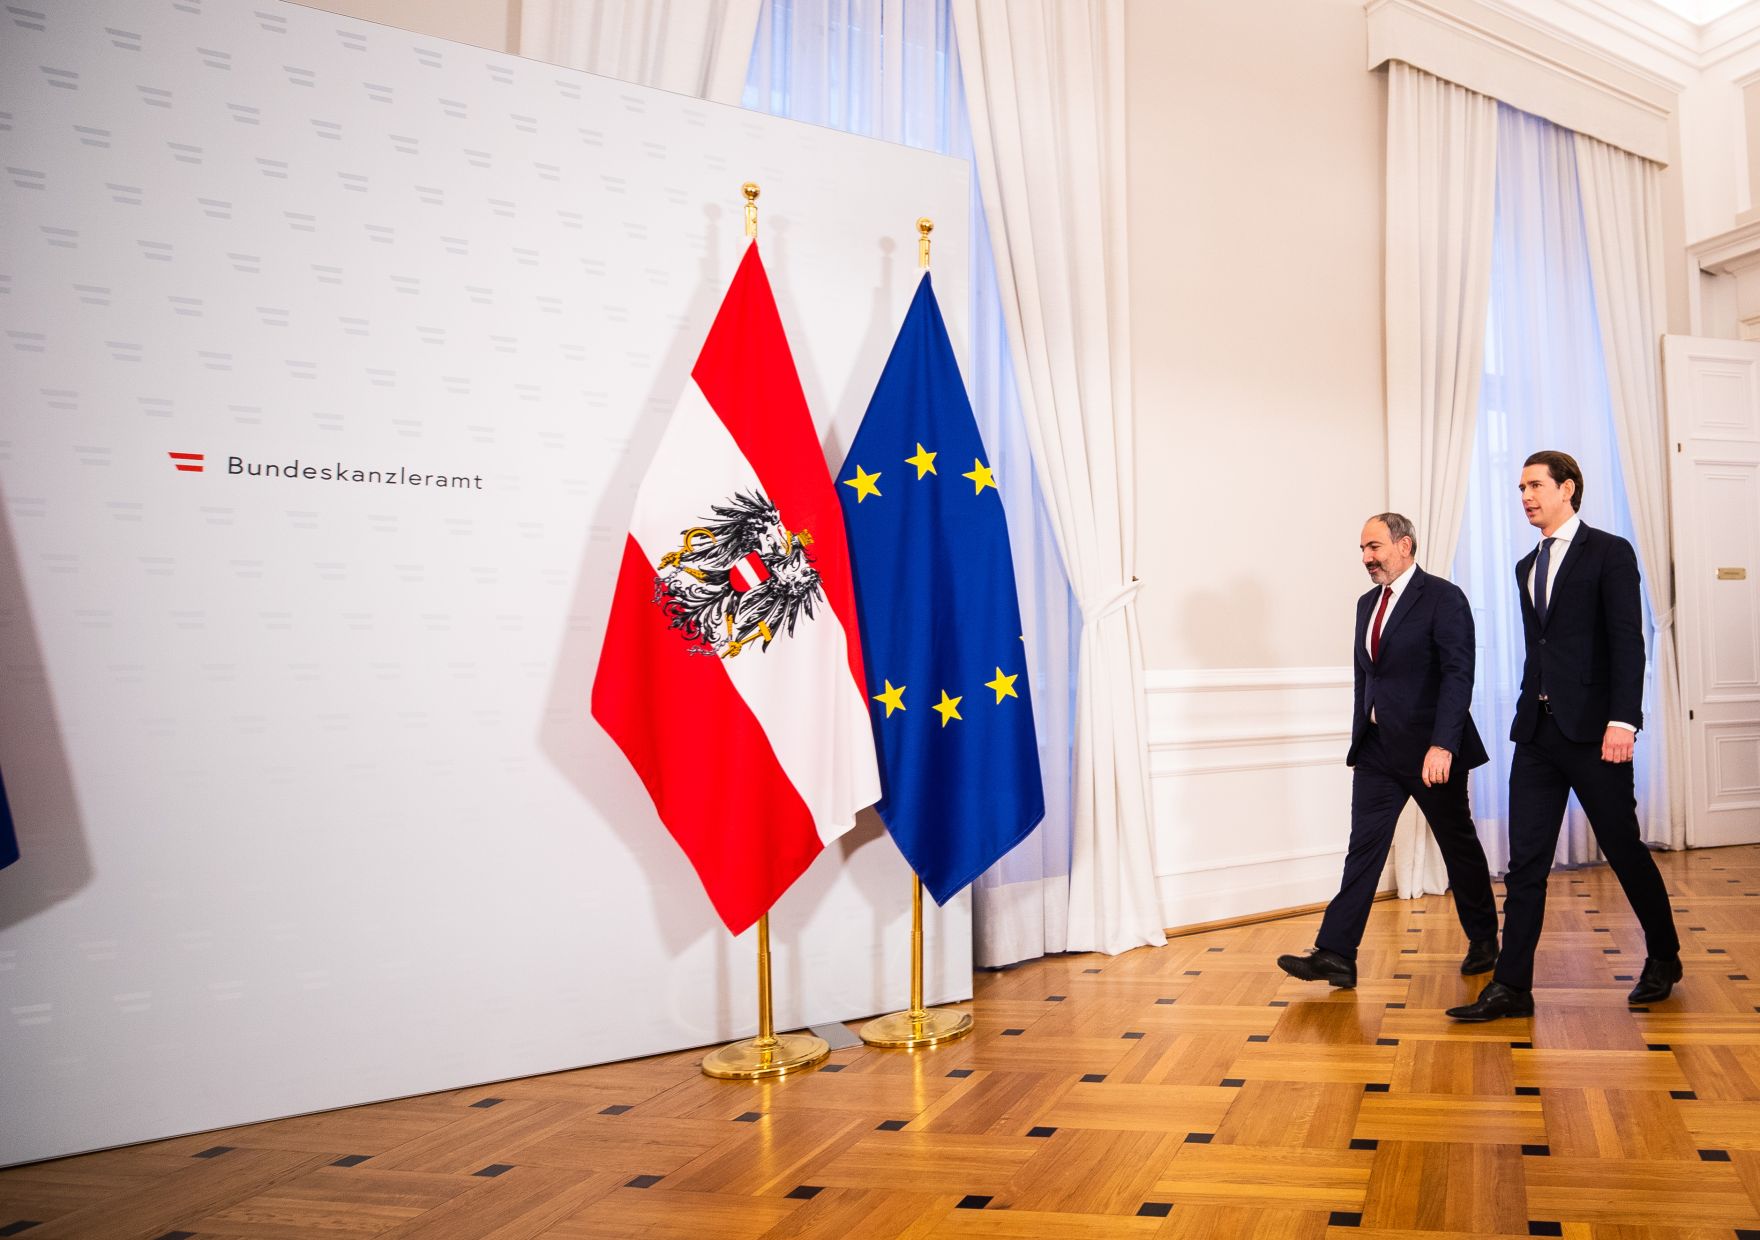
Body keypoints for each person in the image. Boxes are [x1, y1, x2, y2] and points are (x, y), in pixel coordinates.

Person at [1448, 450, 1680, 1021]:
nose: (1525, 496)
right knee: (1525, 863)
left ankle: (1665, 956)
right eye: (1520, 487)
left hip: (1596, 735)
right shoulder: (1526, 564)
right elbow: (1542, 649)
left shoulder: (1610, 552)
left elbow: (1629, 642)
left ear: (1567, 489)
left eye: (1535, 485)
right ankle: (1511, 987)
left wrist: (1624, 722)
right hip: (1538, 734)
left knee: (1624, 851)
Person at [1278, 513, 1499, 989]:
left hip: (1429, 752)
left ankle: (1485, 938)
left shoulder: (1443, 597)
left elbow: (1459, 675)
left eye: (1374, 547)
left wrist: (1444, 744)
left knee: (1457, 844)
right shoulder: (1366, 604)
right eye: (1362, 549)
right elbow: (1368, 676)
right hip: (1377, 751)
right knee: (1364, 849)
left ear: (1405, 545)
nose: (1366, 558)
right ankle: (1336, 953)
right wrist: (1361, 734)